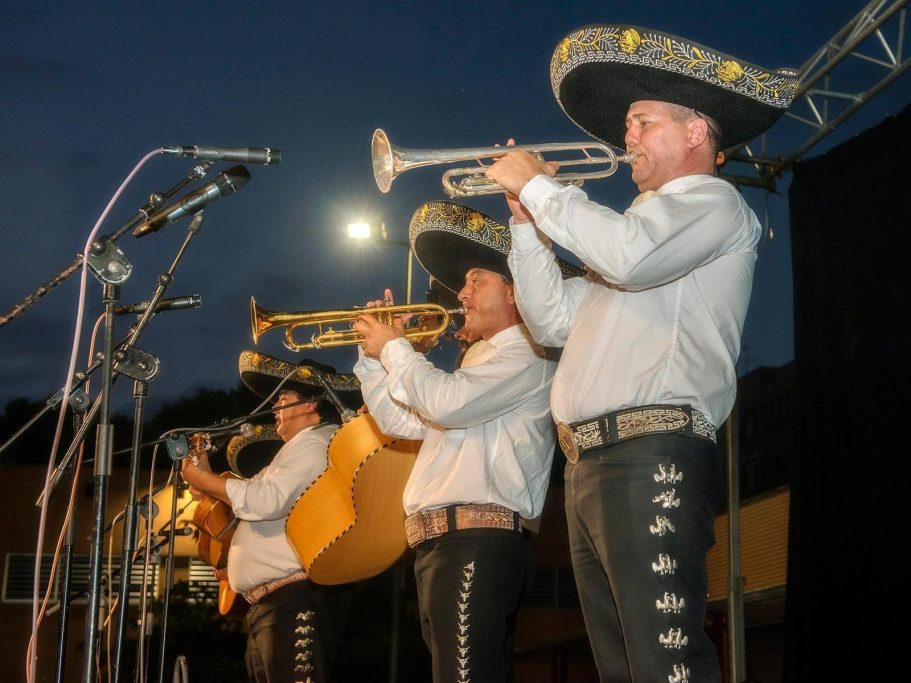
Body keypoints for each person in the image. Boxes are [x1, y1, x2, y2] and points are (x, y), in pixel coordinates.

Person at [484, 24, 799, 683]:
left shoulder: (712, 203)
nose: (625, 138)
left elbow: (629, 255)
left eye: (642, 121)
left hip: (649, 451)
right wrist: (526, 226)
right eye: (627, 124)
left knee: (663, 662)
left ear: (695, 131)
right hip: (589, 465)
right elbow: (550, 321)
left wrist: (544, 190)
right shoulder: (633, 233)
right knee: (623, 667)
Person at [351, 200, 578, 682]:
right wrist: (373, 359)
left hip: (476, 541)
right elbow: (400, 420)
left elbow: (445, 403)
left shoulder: (530, 356)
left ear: (515, 292)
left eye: (477, 280)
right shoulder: (480, 362)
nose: (462, 293)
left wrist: (396, 348)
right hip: (445, 544)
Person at [182, 351, 359, 683]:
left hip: (293, 601)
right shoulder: (296, 451)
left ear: (311, 404)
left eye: (284, 398)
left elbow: (265, 501)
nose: (275, 405)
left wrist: (204, 480)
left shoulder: (319, 442)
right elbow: (257, 500)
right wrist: (206, 479)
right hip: (275, 605)